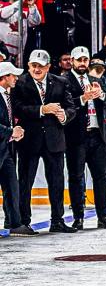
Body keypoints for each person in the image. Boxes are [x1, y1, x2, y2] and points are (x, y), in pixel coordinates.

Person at [12, 49, 78, 233]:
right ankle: (24, 221)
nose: (36, 69)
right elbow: (17, 108)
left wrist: (64, 115)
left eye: (40, 66)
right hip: (28, 140)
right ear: (28, 66)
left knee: (57, 181)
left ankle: (57, 221)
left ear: (48, 66)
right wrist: (42, 109)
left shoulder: (61, 82)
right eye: (33, 65)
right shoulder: (20, 82)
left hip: (54, 139)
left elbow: (71, 107)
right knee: (25, 182)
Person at [63, 46, 106, 230]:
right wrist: (83, 98)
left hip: (97, 135)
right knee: (76, 177)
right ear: (72, 61)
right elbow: (65, 106)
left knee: (100, 177)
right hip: (76, 137)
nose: (83, 63)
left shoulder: (96, 80)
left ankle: (102, 216)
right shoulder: (64, 81)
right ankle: (78, 217)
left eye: (85, 60)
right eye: (79, 60)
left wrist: (101, 94)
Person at [0, 61, 33, 236]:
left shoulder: (8, 95)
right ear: (4, 78)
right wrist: (11, 131)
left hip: (7, 149)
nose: (16, 78)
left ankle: (14, 222)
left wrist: (13, 132)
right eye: (13, 75)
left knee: (12, 186)